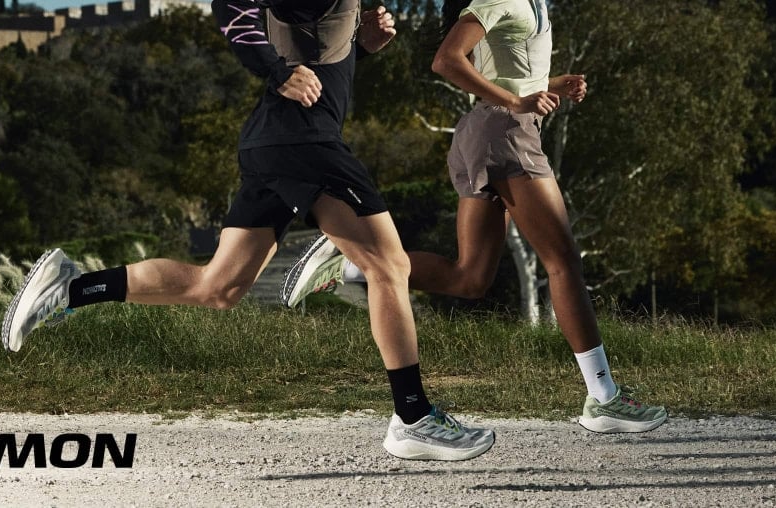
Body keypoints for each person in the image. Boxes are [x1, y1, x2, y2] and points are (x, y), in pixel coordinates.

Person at [1, 0, 494, 461]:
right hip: (305, 141)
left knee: (218, 287)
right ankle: (411, 415)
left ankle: (71, 287)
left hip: (276, 141)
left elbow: (313, 53)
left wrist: (360, 47)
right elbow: (232, 7)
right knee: (390, 265)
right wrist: (277, 73)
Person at [282, 0, 667, 434]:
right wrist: (517, 101)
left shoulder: (530, 3)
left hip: (486, 132)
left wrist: (554, 84)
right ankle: (604, 398)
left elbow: (506, 73)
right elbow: (446, 60)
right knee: (563, 263)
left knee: (469, 277)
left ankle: (351, 265)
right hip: (505, 134)